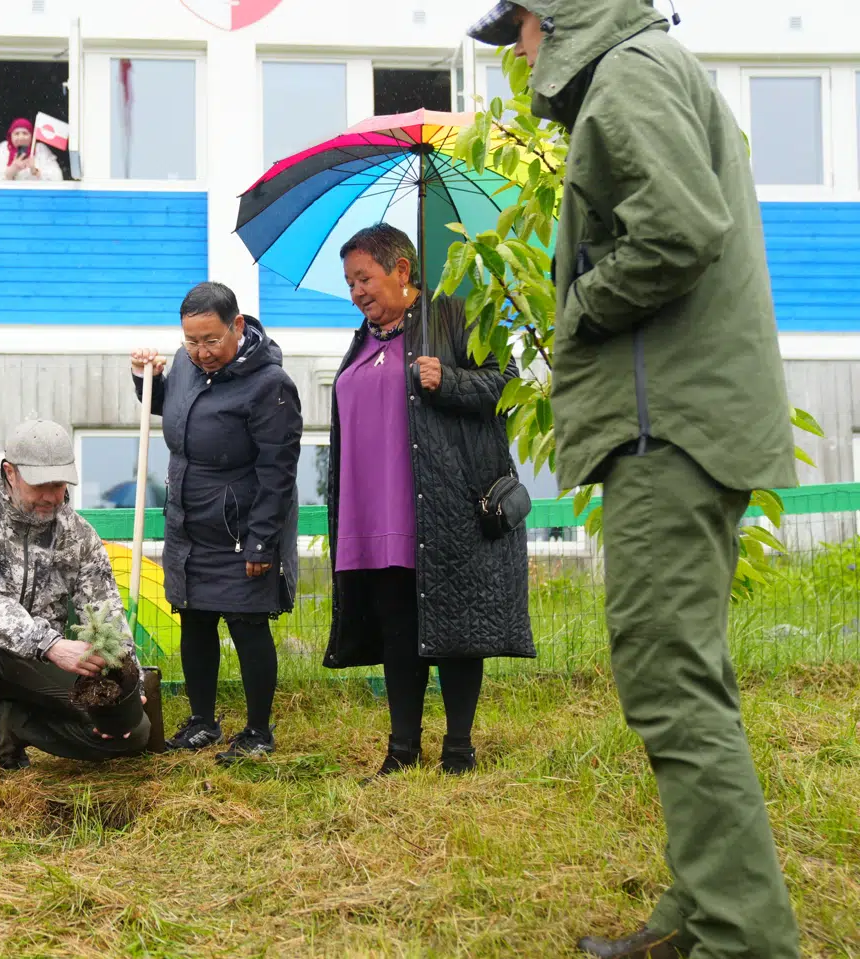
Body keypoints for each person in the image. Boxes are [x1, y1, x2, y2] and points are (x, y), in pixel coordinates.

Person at [468, 3, 801, 957]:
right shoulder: (647, 70)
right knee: (685, 674)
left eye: (520, 33)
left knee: (668, 680)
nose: (518, 56)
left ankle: (743, 938)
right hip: (686, 420)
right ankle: (704, 910)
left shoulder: (630, 74)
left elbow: (680, 228)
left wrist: (579, 308)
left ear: (556, 19)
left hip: (672, 428)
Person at [321, 224, 534, 776]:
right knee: (398, 627)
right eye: (349, 283)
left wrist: (453, 381)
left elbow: (508, 387)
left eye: (364, 278)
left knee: (458, 628)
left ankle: (459, 749)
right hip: (378, 511)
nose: (357, 292)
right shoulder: (364, 338)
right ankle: (402, 749)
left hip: (446, 506)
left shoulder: (454, 314)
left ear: (402, 271)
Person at [0, 419, 150, 798]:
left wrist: (129, 679)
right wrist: (49, 644)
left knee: (132, 733)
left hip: (41, 665)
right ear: (10, 473)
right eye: (40, 485)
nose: (51, 496)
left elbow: (105, 609)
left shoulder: (79, 536)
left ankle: (15, 721)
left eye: (58, 486)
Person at [130, 281, 302, 763]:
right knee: (195, 619)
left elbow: (279, 471)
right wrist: (146, 379)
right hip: (189, 522)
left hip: (241, 528)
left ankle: (257, 732)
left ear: (238, 327)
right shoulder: (186, 364)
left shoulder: (270, 385)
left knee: (247, 625)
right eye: (191, 340)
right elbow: (171, 410)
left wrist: (262, 542)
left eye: (211, 340)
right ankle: (203, 722)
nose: (200, 352)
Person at [0, 118, 63, 182]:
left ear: (31, 136)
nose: (21, 137)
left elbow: (58, 178)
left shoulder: (40, 149)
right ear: (10, 136)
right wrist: (13, 169)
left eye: (25, 133)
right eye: (16, 134)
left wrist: (35, 171)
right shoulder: (4, 148)